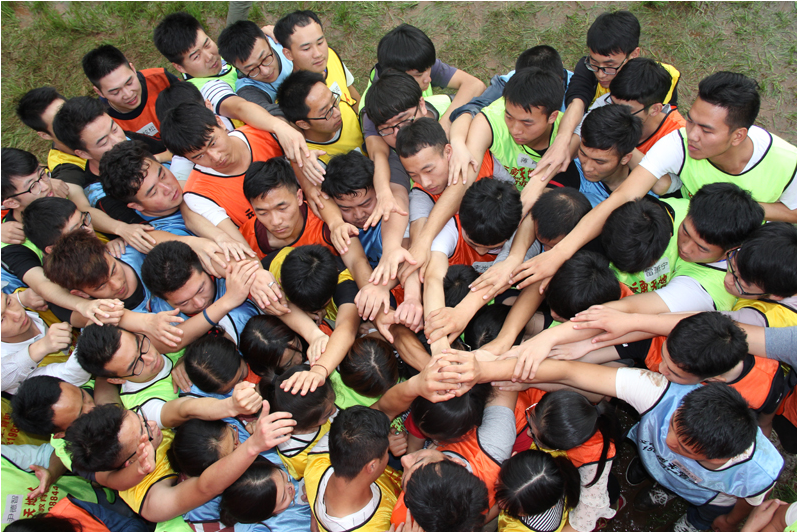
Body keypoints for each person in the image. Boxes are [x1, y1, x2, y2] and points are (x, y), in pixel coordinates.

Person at [516, 71, 797, 293]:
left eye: (706, 129)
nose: (692, 134)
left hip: (737, 260)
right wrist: (559, 253)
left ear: (738, 135)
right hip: (680, 237)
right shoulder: (678, 144)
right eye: (691, 121)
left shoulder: (787, 162)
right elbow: (622, 197)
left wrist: (734, 208)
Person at [458, 354, 784, 532]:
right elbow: (572, 373)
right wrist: (488, 369)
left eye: (684, 448)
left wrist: (728, 521)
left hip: (706, 494)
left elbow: (748, 500)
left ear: (719, 455)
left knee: (704, 512)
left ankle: (691, 521)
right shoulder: (661, 392)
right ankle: (655, 478)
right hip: (657, 466)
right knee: (657, 466)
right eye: (672, 425)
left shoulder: (759, 472)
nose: (667, 440)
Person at [63, 400, 294, 525]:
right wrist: (253, 446)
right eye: (144, 433)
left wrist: (230, 406)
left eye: (139, 417)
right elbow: (205, 486)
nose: (151, 424)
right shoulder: (154, 503)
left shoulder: (127, 428)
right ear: (128, 461)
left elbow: (184, 409)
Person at [152, 11, 317, 177]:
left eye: (207, 44)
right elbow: (240, 108)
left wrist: (263, 36)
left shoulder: (218, 65)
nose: (209, 57)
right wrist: (280, 127)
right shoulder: (205, 89)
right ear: (179, 67)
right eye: (196, 56)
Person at [159, 101, 285, 228]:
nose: (215, 157)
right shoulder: (198, 194)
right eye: (199, 156)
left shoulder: (264, 133)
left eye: (213, 143)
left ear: (220, 122)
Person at [141, 241, 261, 345]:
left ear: (204, 265)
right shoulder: (160, 316)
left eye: (201, 290)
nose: (199, 303)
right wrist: (228, 300)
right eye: (184, 303)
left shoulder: (232, 273)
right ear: (161, 298)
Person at [574, 57, 685, 155]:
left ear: (655, 110)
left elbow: (659, 173)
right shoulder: (610, 100)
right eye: (613, 104)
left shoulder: (678, 138)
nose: (615, 113)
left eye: (625, 110)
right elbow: (579, 134)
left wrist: (622, 143)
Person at [240, 158, 336, 259]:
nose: (276, 222)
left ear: (299, 197)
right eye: (263, 213)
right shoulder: (245, 239)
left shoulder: (325, 223)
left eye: (282, 208)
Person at [81, 44, 178, 140]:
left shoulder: (162, 79)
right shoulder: (104, 121)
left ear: (133, 69)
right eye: (115, 92)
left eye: (129, 83)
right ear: (99, 92)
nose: (128, 94)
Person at [1, 292, 86, 395]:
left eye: (9, 302)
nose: (17, 315)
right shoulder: (10, 373)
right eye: (2, 320)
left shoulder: (32, 297)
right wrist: (41, 347)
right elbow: (73, 375)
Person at [272, 10, 360, 108]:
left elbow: (351, 93)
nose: (318, 54)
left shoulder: (331, 55)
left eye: (320, 42)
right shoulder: (290, 101)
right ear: (288, 54)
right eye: (306, 48)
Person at [277, 70, 363, 165]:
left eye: (334, 100)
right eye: (326, 112)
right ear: (303, 124)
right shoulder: (312, 161)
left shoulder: (344, 108)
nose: (337, 113)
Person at [724, 222, 797, 327]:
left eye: (740, 283)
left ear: (776, 295)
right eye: (733, 266)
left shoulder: (764, 319)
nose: (728, 279)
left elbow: (707, 322)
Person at [218, 20, 293, 105]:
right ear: (236, 68)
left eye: (265, 59)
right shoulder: (247, 91)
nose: (265, 72)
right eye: (252, 69)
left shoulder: (284, 41)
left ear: (267, 40)